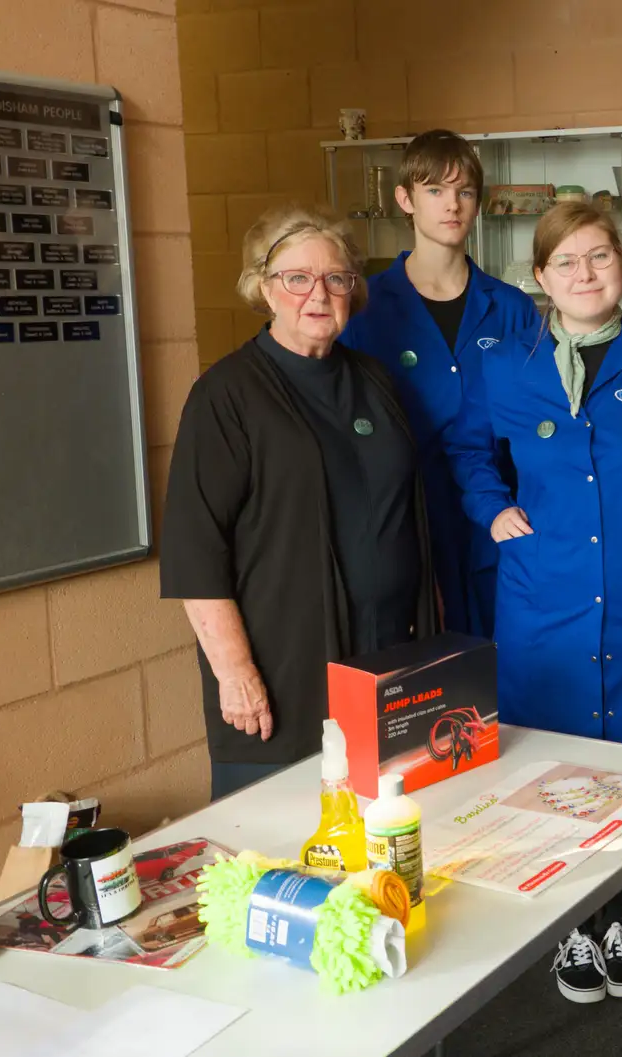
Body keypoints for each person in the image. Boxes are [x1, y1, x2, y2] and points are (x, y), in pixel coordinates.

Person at [445, 201, 622, 1007]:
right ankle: (572, 918)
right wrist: (491, 507)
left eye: (599, 257)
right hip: (544, 600)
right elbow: (467, 450)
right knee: (556, 768)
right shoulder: (507, 365)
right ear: (540, 278)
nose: (585, 273)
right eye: (566, 262)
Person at [160, 204, 437, 800]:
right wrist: (234, 674)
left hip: (385, 661)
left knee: (390, 835)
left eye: (336, 278)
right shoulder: (226, 395)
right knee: (284, 853)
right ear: (264, 288)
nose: (319, 293)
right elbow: (195, 547)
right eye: (297, 277)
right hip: (284, 672)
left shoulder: (375, 380)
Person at [339, 129, 539, 639]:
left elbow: (538, 414)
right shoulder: (366, 306)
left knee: (505, 664)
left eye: (465, 191)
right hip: (403, 515)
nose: (452, 205)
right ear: (404, 199)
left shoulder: (511, 308)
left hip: (497, 512)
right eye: (435, 191)